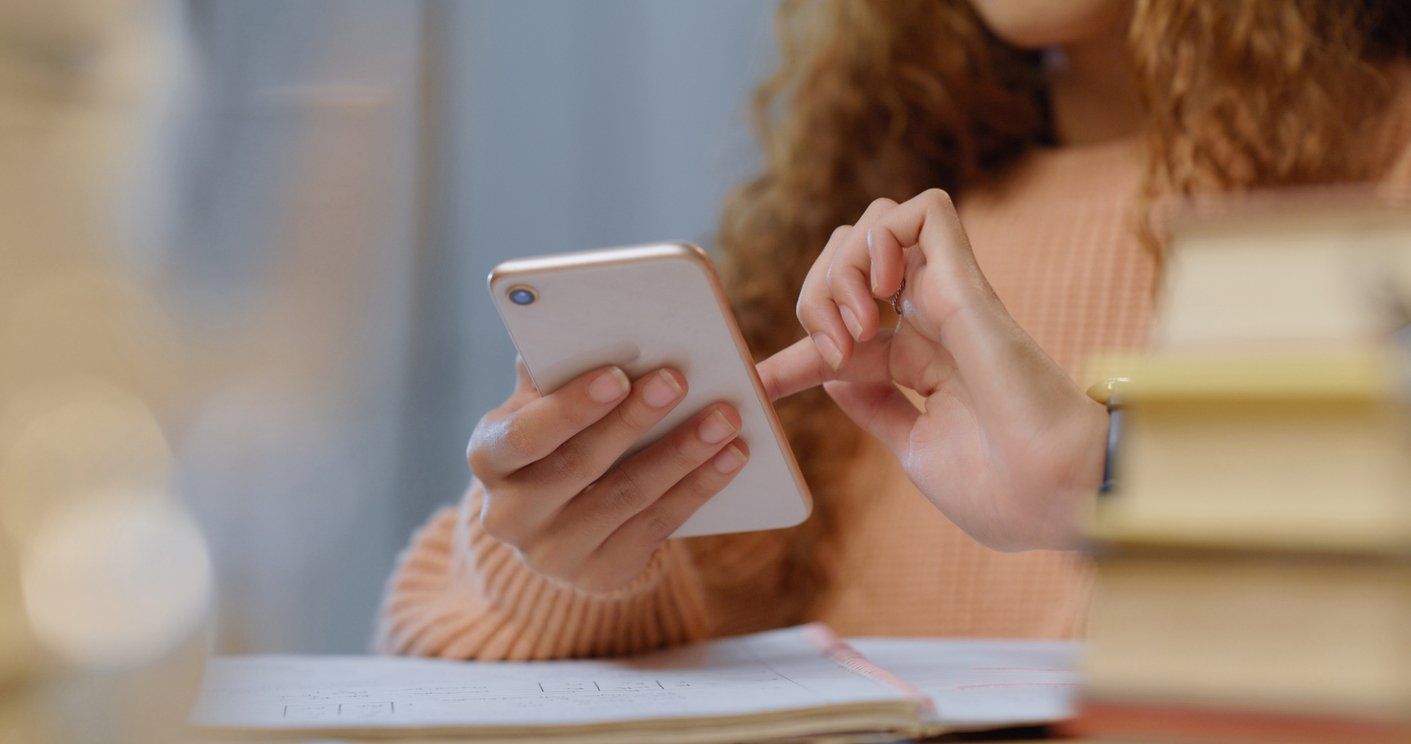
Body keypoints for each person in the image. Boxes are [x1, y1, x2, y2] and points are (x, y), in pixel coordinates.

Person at [377, 0, 1411, 659]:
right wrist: (567, 556)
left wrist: (1112, 479)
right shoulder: (866, 218)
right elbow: (431, 639)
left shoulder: (1384, 183)